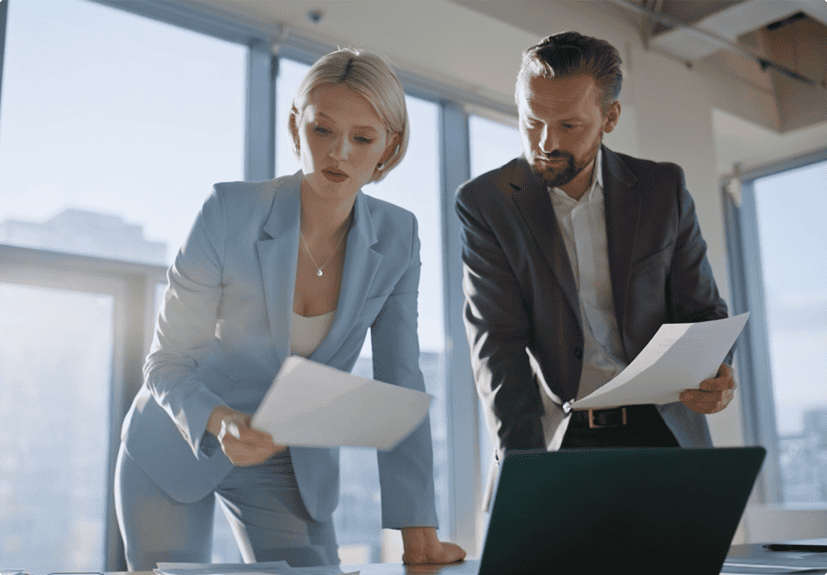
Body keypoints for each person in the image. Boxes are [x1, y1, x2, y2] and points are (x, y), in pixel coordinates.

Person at [115, 48, 465, 570]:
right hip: (179, 439)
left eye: (363, 138)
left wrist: (418, 530)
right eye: (322, 130)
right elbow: (165, 361)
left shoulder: (398, 236)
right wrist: (220, 420)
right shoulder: (227, 211)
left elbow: (400, 385)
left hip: (288, 463)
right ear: (295, 127)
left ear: (388, 149)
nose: (339, 152)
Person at [456, 32, 737, 459]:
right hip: (562, 437)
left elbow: (701, 312)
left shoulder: (663, 189)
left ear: (610, 118)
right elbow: (498, 346)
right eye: (532, 121)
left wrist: (714, 375)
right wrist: (524, 467)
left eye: (568, 125)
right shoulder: (487, 204)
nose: (546, 142)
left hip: (665, 430)